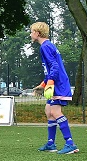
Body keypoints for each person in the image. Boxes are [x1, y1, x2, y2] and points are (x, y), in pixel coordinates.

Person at [31, 22, 78, 154]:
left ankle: (70, 143)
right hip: (55, 82)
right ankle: (51, 143)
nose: (30, 34)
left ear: (37, 33)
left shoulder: (45, 47)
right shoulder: (48, 45)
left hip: (59, 84)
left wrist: (50, 83)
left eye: (32, 32)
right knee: (49, 111)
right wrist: (43, 84)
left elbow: (55, 67)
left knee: (55, 112)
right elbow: (51, 69)